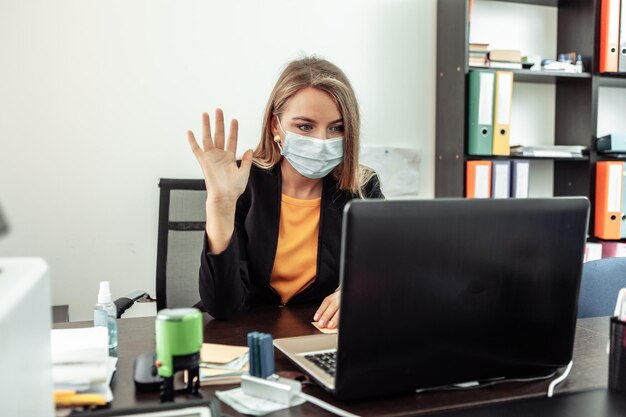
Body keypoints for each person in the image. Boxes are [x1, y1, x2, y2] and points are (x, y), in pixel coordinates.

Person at [187, 56, 383, 328]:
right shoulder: (241, 183)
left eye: (337, 128)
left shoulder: (363, 188)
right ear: (275, 126)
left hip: (317, 337)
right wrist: (220, 206)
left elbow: (385, 268)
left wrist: (357, 290)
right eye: (305, 126)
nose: (322, 142)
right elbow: (223, 306)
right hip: (244, 340)